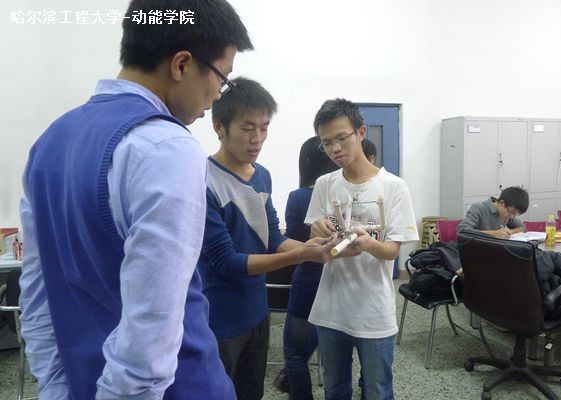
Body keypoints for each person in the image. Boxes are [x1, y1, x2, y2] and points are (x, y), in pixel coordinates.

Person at [19, 1, 251, 399]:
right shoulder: (166, 147)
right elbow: (152, 327)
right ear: (182, 64)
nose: (217, 95)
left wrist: (56, 387)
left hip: (81, 380)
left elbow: (38, 296)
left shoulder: (49, 142)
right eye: (222, 77)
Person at [197, 77, 332, 400]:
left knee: (251, 392)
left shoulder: (262, 175)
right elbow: (227, 262)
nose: (257, 138)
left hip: (257, 311)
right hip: (219, 317)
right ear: (219, 127)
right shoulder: (203, 181)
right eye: (247, 128)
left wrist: (316, 248)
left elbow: (272, 237)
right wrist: (301, 255)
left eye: (264, 128)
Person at [306, 98, 419, 400]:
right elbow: (315, 235)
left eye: (341, 138)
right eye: (326, 143)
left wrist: (369, 244)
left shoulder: (393, 186)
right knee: (335, 389)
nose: (335, 148)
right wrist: (318, 229)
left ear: (360, 132)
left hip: (373, 310)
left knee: (378, 390)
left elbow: (392, 251)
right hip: (331, 307)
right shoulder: (325, 184)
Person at [277, 137, 339, 399]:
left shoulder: (298, 197)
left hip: (309, 282)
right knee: (338, 354)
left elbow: (290, 241)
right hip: (341, 283)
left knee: (294, 354)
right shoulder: (344, 196)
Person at [457, 186, 528, 238]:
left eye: (515, 214)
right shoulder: (479, 208)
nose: (512, 216)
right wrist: (493, 234)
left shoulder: (508, 214)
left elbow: (523, 228)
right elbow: (462, 231)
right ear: (502, 203)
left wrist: (510, 232)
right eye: (512, 212)